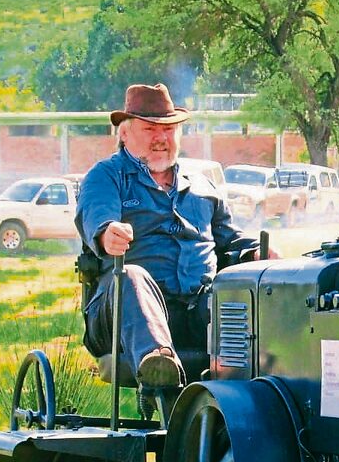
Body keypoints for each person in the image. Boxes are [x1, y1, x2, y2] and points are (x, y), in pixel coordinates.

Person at [76, 83, 260, 390]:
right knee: (132, 275)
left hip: (197, 309)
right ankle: (157, 362)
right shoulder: (106, 176)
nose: (161, 138)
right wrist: (108, 233)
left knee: (239, 291)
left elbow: (231, 241)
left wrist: (257, 254)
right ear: (125, 133)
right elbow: (97, 217)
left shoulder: (202, 185)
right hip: (125, 314)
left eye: (170, 129)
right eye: (150, 129)